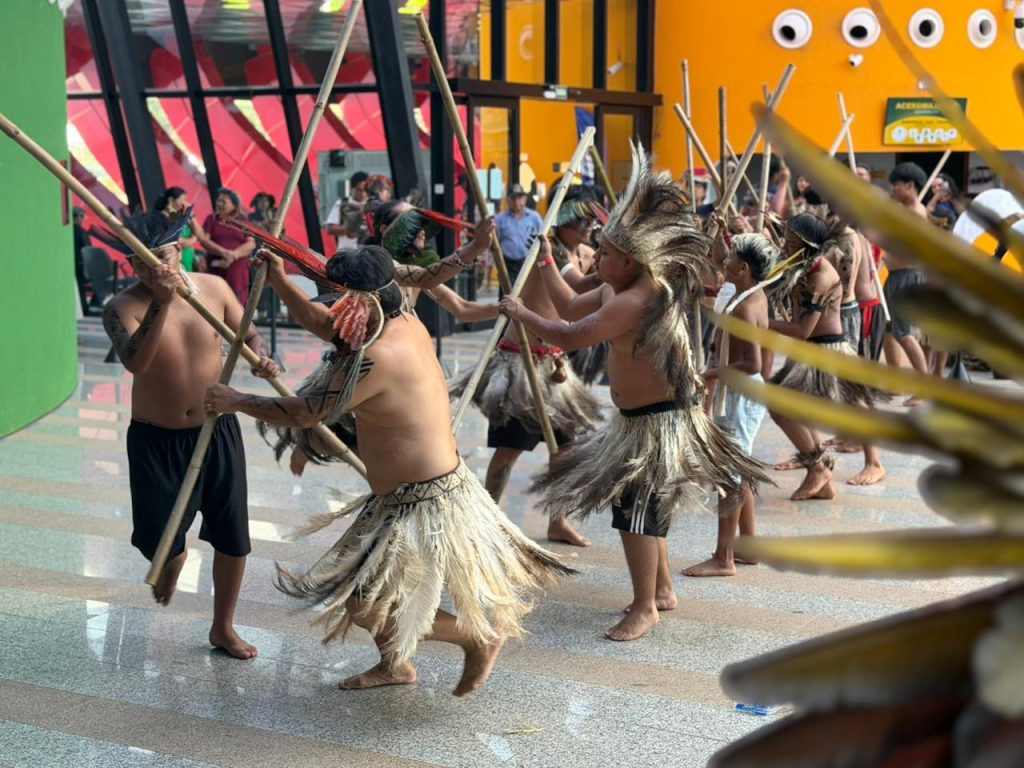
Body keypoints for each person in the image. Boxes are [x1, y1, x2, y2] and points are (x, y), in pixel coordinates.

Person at [203, 246, 572, 695]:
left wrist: (236, 400)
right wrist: (281, 280)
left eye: (339, 299)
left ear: (364, 303)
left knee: (364, 602)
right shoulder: (401, 320)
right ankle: (396, 665)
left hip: (424, 501)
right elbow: (326, 326)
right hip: (405, 495)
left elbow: (306, 412)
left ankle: (475, 636)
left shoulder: (380, 356)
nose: (332, 309)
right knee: (369, 590)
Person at [500, 145, 769, 640]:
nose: (596, 256)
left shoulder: (642, 297)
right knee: (640, 511)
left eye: (604, 253)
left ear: (630, 260)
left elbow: (571, 335)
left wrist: (521, 314)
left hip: (660, 421)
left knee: (637, 515)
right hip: (638, 421)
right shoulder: (617, 287)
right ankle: (660, 590)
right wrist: (546, 265)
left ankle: (646, 606)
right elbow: (571, 306)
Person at [101, 210, 279, 660]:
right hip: (155, 440)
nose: (154, 269)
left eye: (161, 257)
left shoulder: (214, 289)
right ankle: (174, 557)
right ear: (131, 264)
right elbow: (137, 363)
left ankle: (223, 627)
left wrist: (261, 357)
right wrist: (162, 301)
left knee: (232, 533)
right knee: (157, 539)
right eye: (142, 262)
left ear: (179, 251)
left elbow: (249, 335)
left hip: (216, 428)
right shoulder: (121, 307)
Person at [451, 193, 602, 547]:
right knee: (510, 448)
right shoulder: (549, 252)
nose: (590, 227)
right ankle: (487, 518)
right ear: (565, 221)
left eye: (593, 221)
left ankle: (557, 521)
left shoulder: (579, 252)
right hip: (521, 364)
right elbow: (578, 289)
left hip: (553, 364)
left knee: (564, 446)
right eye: (584, 221)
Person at [767, 214, 887, 500]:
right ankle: (818, 468)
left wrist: (759, 321)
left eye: (790, 242)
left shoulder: (821, 277)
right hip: (810, 349)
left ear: (807, 245)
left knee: (853, 405)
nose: (784, 246)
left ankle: (863, 464)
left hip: (827, 349)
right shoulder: (799, 265)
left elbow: (802, 330)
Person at [684, 233, 774, 577]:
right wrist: (718, 235)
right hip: (739, 391)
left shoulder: (747, 306)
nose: (727, 259)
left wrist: (711, 373)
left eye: (733, 256)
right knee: (737, 469)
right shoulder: (750, 293)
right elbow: (722, 261)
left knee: (730, 476)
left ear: (744, 268)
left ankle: (724, 558)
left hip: (741, 392)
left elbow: (752, 363)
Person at [884, 162, 932, 402]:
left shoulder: (915, 214)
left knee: (903, 333)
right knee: (892, 329)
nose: (893, 189)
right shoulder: (907, 211)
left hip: (907, 276)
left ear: (910, 185)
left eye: (897, 185)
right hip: (898, 276)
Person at [198, 188, 256, 304]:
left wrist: (233, 255)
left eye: (223, 202)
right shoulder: (212, 219)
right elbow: (204, 240)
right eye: (218, 201)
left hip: (238, 266)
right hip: (216, 264)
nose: (219, 204)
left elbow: (251, 243)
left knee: (237, 299)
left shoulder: (242, 221)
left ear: (234, 206)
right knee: (215, 298)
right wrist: (223, 252)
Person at [495, 184, 544, 283]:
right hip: (507, 265)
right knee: (507, 290)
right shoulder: (500, 219)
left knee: (528, 290)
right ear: (508, 200)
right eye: (513, 198)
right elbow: (496, 242)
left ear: (525, 199)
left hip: (529, 263)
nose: (517, 201)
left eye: (520, 197)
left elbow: (543, 238)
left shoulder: (534, 217)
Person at [154, 188, 205, 273]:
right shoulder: (160, 218)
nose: (184, 203)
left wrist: (191, 214)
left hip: (188, 264)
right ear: (171, 200)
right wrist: (194, 239)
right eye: (182, 200)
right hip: (173, 266)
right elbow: (175, 242)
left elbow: (201, 236)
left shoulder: (182, 217)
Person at [325, 171, 369, 250]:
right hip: (346, 252)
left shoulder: (373, 205)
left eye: (365, 190)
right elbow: (330, 229)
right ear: (353, 188)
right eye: (359, 190)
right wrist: (349, 229)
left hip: (368, 253)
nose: (363, 194)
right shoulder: (342, 203)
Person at [72, 206, 93, 314]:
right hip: (81, 263)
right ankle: (84, 308)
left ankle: (84, 307)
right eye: (83, 216)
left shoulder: (70, 231)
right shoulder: (80, 231)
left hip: (77, 262)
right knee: (80, 286)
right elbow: (87, 247)